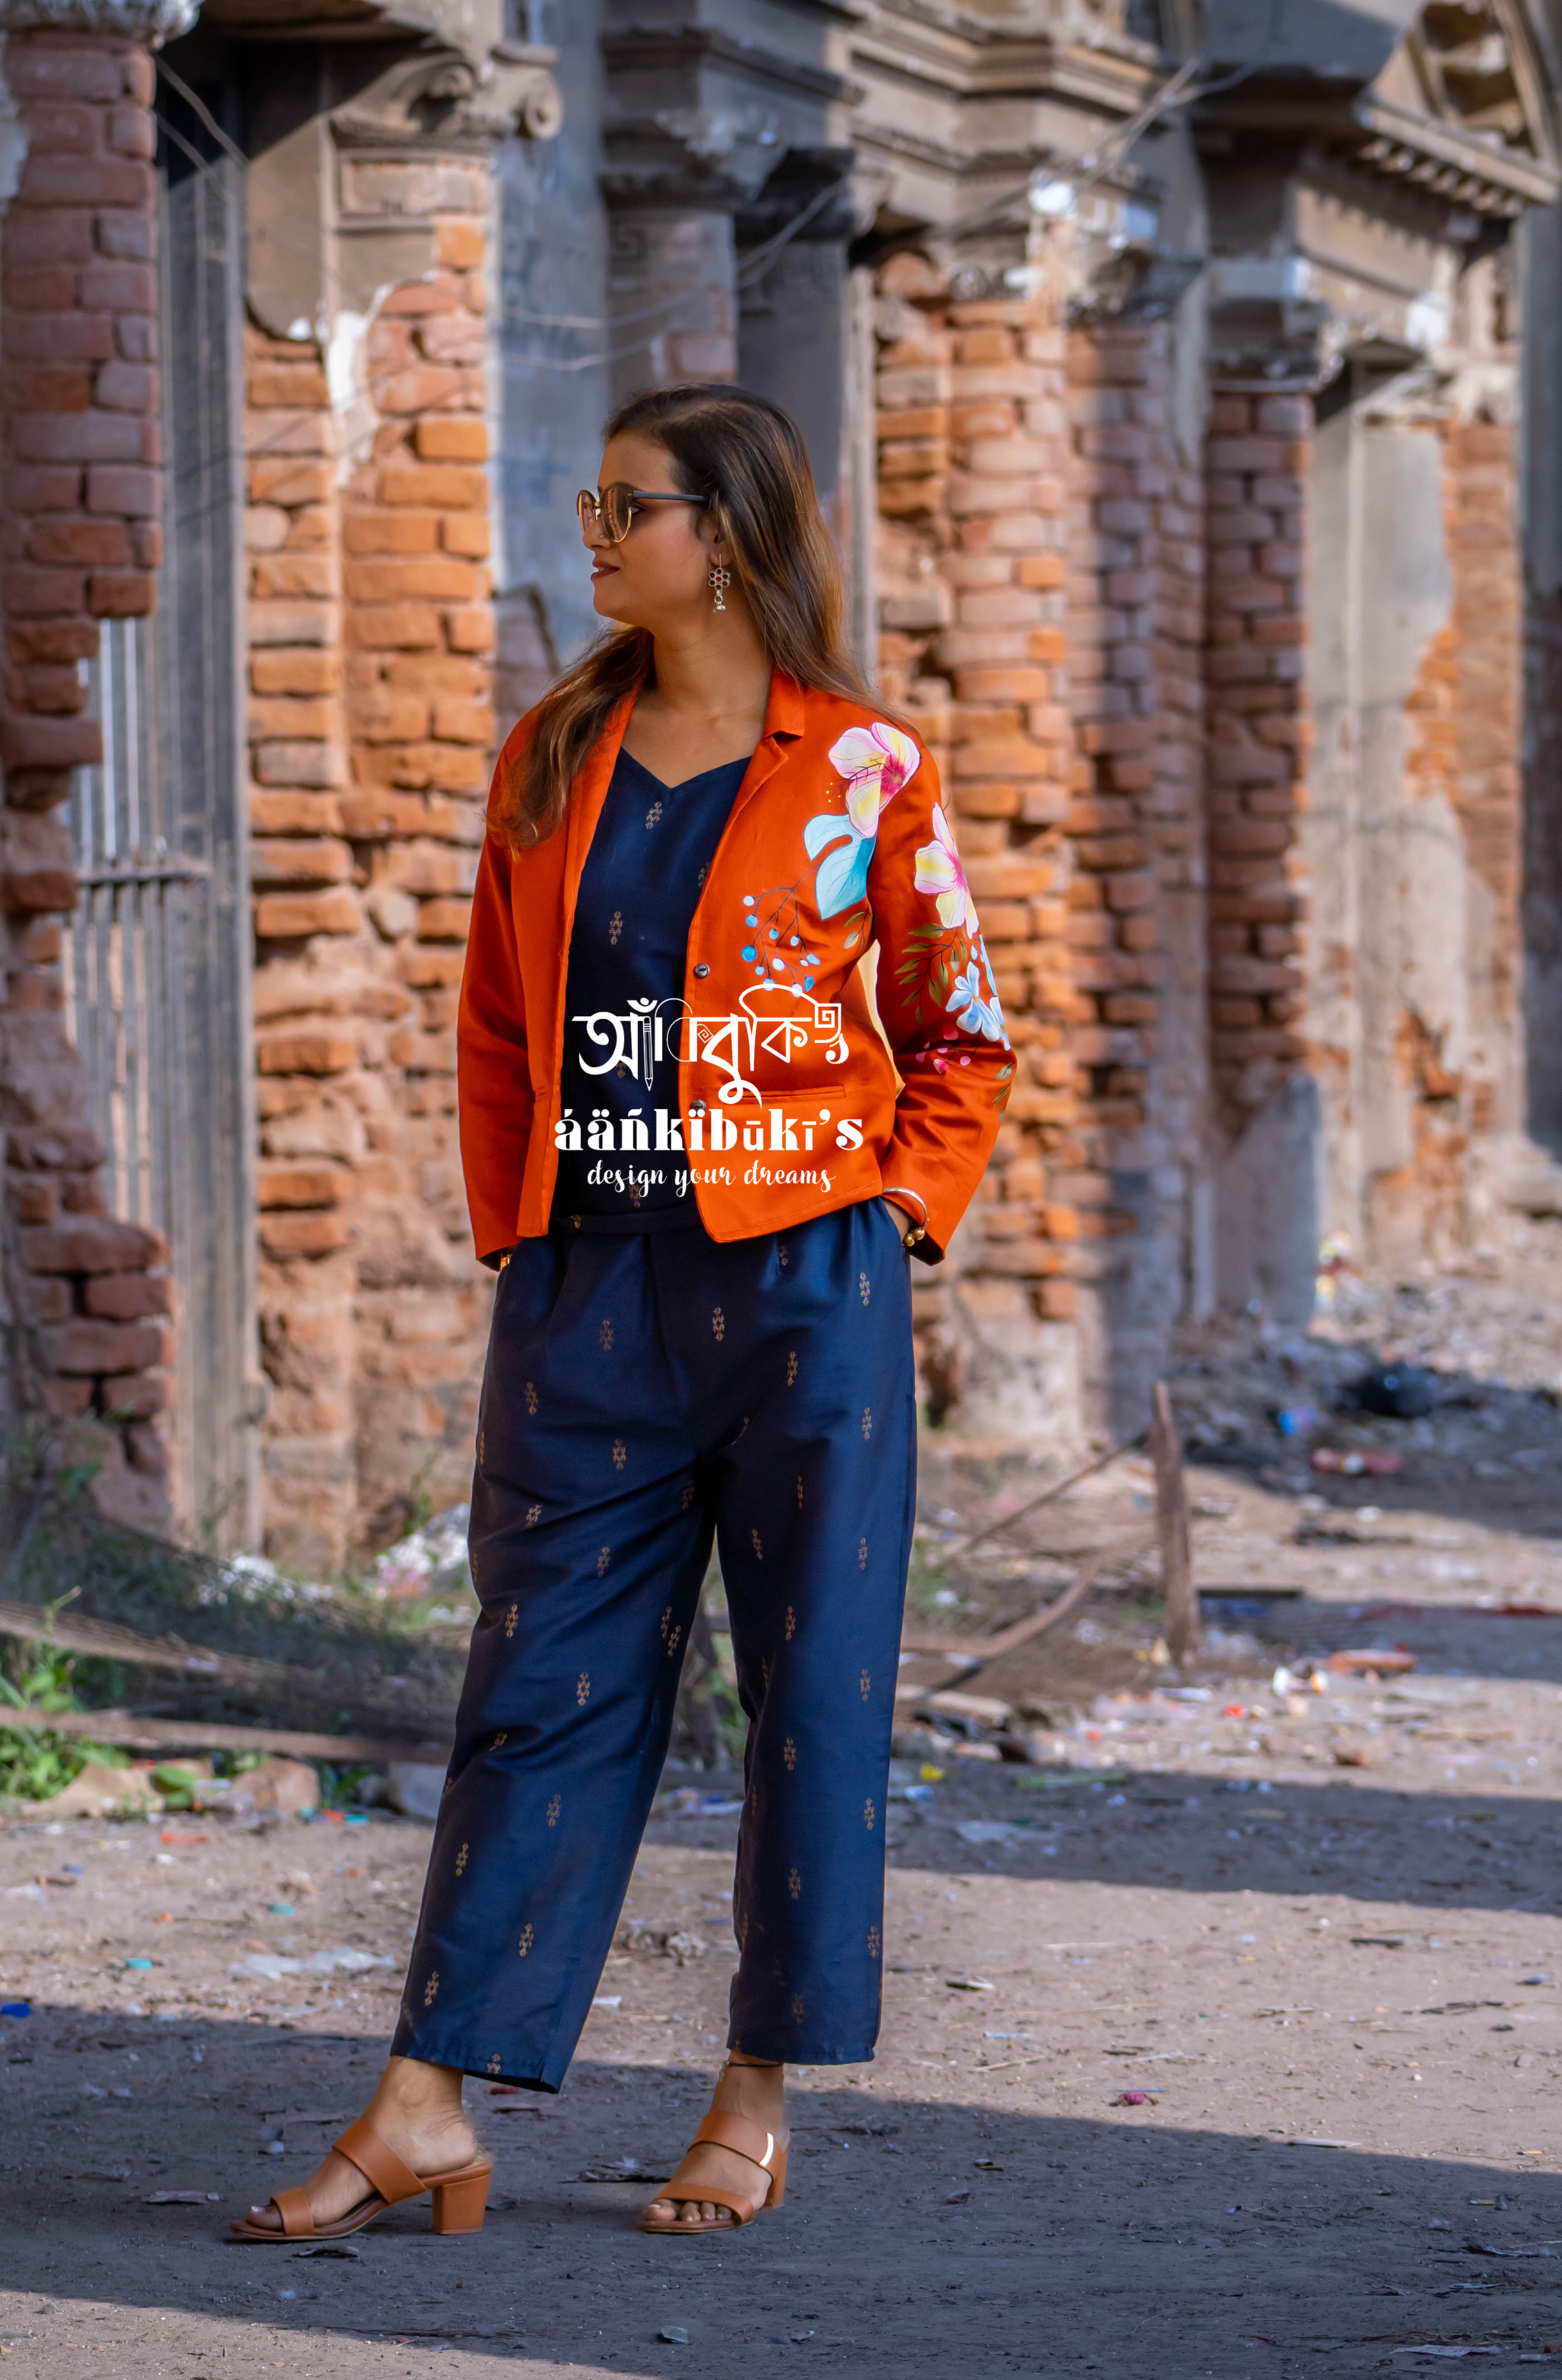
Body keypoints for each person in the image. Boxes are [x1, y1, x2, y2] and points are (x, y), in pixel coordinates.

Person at [233, 382, 1013, 2246]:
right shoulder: (553, 754)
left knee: (806, 1693)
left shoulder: (863, 769)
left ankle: (751, 2093)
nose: (592, 537)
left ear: (721, 535)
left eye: (625, 507)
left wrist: (894, 1212)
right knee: (537, 1679)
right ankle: (430, 2098)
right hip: (590, 1289)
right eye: (591, 505)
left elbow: (958, 1022)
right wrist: (522, 1236)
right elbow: (498, 1027)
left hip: (802, 1287)